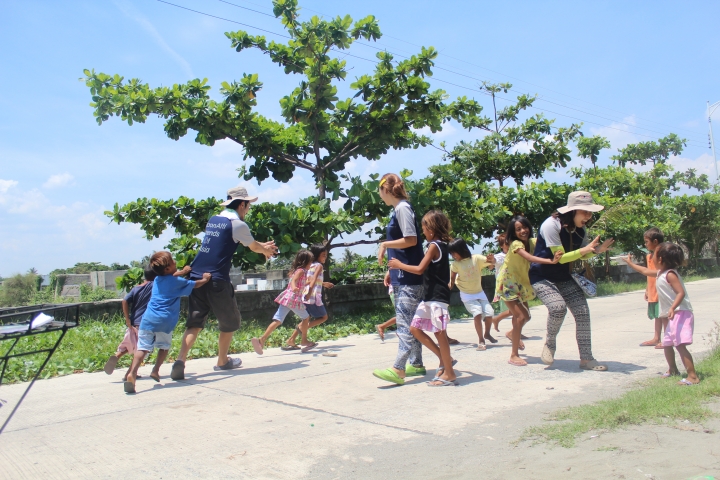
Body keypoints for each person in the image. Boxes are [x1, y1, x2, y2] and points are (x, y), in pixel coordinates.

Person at [170, 186, 277, 381]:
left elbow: (243, 241)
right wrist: (265, 250)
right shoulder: (238, 224)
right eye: (248, 206)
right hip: (216, 280)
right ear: (242, 204)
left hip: (196, 277)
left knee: (194, 323)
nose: (248, 210)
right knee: (229, 322)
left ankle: (180, 360)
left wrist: (263, 247)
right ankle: (222, 361)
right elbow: (253, 246)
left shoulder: (214, 220)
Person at [528, 191, 614, 371]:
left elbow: (582, 254)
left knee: (582, 312)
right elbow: (560, 258)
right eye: (585, 212)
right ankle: (550, 344)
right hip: (542, 276)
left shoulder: (580, 230)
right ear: (572, 211)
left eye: (590, 212)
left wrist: (597, 250)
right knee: (557, 307)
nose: (588, 216)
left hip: (564, 276)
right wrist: (585, 250)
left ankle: (586, 359)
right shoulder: (551, 225)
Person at [386, 210, 457, 386]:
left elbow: (419, 269)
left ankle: (449, 373)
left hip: (437, 296)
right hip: (429, 297)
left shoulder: (434, 246)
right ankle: (444, 359)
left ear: (431, 230)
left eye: (424, 228)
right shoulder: (439, 245)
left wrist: (399, 265)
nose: (423, 232)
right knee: (414, 328)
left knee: (440, 334)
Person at [124, 252, 211, 394]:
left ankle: (132, 373)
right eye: (172, 261)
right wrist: (205, 279)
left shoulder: (157, 279)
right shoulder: (177, 282)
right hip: (165, 320)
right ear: (167, 268)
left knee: (142, 348)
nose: (175, 262)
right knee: (164, 347)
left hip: (148, 319)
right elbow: (195, 284)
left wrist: (182, 271)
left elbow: (171, 276)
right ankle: (155, 370)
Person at [372, 173, 427, 384]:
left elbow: (411, 240)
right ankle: (416, 363)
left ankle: (399, 369)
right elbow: (403, 246)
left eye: (379, 191)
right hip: (403, 274)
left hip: (409, 277)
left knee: (404, 323)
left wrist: (385, 244)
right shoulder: (399, 209)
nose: (379, 196)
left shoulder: (402, 208)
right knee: (411, 321)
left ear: (385, 189)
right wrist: (391, 270)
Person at [624, 243, 698, 385]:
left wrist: (672, 308)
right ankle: (673, 369)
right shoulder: (660, 273)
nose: (652, 257)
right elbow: (645, 271)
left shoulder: (670, 274)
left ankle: (693, 376)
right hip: (673, 314)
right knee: (667, 343)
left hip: (681, 313)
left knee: (680, 345)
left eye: (655, 255)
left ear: (661, 259)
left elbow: (680, 293)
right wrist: (630, 264)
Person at [495, 216, 563, 366]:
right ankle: (513, 355)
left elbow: (547, 241)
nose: (523, 231)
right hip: (508, 283)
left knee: (525, 317)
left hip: (521, 284)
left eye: (524, 227)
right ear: (513, 232)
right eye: (518, 229)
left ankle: (512, 333)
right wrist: (551, 261)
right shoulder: (516, 244)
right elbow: (530, 258)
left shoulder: (532, 242)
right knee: (520, 317)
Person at [252, 249, 315, 355]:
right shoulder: (301, 271)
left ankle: (262, 339)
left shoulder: (298, 271)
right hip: (293, 299)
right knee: (306, 317)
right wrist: (294, 287)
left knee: (278, 320)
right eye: (310, 261)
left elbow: (301, 282)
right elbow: (294, 280)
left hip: (287, 298)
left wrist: (316, 283)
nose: (311, 264)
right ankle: (304, 340)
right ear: (305, 262)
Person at [104, 267, 157, 381]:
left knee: (132, 343)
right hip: (145, 322)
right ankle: (130, 374)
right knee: (142, 349)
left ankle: (118, 355)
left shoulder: (136, 288)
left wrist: (127, 319)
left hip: (133, 322)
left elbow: (124, 301)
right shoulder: (153, 285)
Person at [282, 244, 335, 350]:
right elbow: (313, 280)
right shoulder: (319, 266)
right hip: (312, 297)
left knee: (306, 318)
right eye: (323, 255)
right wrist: (310, 292)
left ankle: (292, 339)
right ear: (317, 255)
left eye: (326, 255)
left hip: (304, 295)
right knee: (323, 317)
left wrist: (323, 284)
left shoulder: (309, 265)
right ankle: (300, 332)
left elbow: (308, 280)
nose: (325, 257)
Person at [448, 237, 496, 350]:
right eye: (451, 253)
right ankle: (481, 340)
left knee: (490, 313)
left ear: (461, 250)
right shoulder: (455, 264)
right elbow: (452, 280)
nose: (452, 255)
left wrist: (492, 260)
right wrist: (446, 290)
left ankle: (487, 333)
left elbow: (491, 266)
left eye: (454, 252)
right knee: (477, 313)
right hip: (467, 295)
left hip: (479, 292)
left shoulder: (476, 258)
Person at [627, 228, 665, 348]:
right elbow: (649, 274)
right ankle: (656, 338)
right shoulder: (649, 256)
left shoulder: (662, 255)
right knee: (658, 315)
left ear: (655, 241)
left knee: (664, 314)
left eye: (647, 242)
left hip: (662, 290)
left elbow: (656, 273)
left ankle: (668, 339)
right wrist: (648, 289)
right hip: (653, 289)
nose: (645, 244)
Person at [491, 234, 512, 332]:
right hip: (505, 286)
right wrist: (492, 260)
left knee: (519, 310)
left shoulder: (515, 254)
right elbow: (495, 261)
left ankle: (515, 330)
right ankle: (515, 331)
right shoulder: (500, 256)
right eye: (506, 243)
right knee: (516, 310)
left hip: (516, 284)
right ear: (501, 246)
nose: (509, 245)